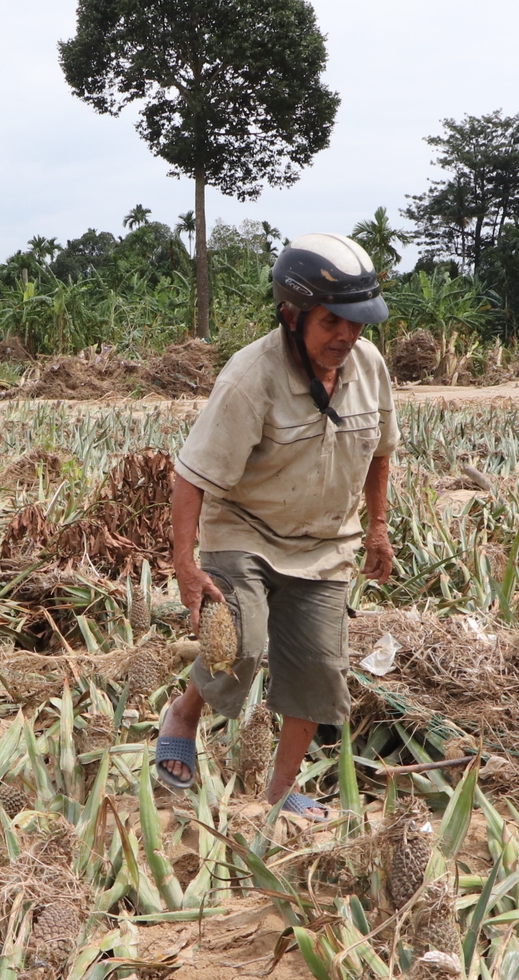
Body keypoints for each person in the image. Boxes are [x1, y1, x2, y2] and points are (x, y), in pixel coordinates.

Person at [153, 233, 396, 822]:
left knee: (319, 671)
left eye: (356, 324)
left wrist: (379, 527)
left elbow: (381, 450)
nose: (345, 336)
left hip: (325, 541)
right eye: (331, 322)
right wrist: (185, 566)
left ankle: (278, 791)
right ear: (293, 316)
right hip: (245, 529)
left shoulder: (368, 368)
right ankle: (184, 714)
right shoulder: (250, 378)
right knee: (240, 644)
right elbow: (191, 477)